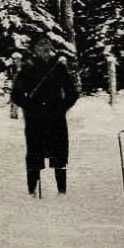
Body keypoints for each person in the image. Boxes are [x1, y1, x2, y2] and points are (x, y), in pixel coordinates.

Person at [10, 32, 79, 197]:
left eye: (47, 45)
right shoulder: (27, 69)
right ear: (34, 49)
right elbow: (16, 95)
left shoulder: (58, 67)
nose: (44, 48)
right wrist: (29, 107)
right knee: (34, 153)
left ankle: (62, 191)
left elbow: (72, 92)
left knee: (59, 153)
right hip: (35, 119)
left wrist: (62, 107)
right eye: (40, 45)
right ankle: (32, 191)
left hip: (56, 117)